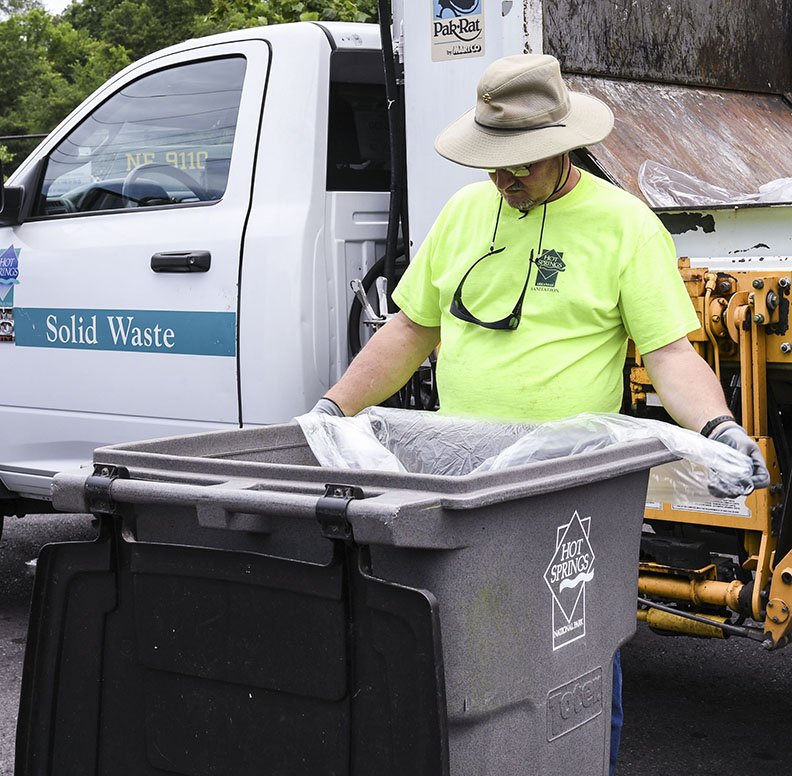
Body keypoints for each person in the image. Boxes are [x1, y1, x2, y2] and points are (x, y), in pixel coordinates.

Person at [314, 53, 770, 774]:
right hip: (468, 483)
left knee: (577, 649)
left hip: (570, 489)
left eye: (521, 161)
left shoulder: (623, 225)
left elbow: (671, 353)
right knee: (470, 646)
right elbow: (410, 329)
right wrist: (334, 407)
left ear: (563, 145)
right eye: (495, 160)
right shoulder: (466, 212)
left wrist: (716, 428)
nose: (505, 175)